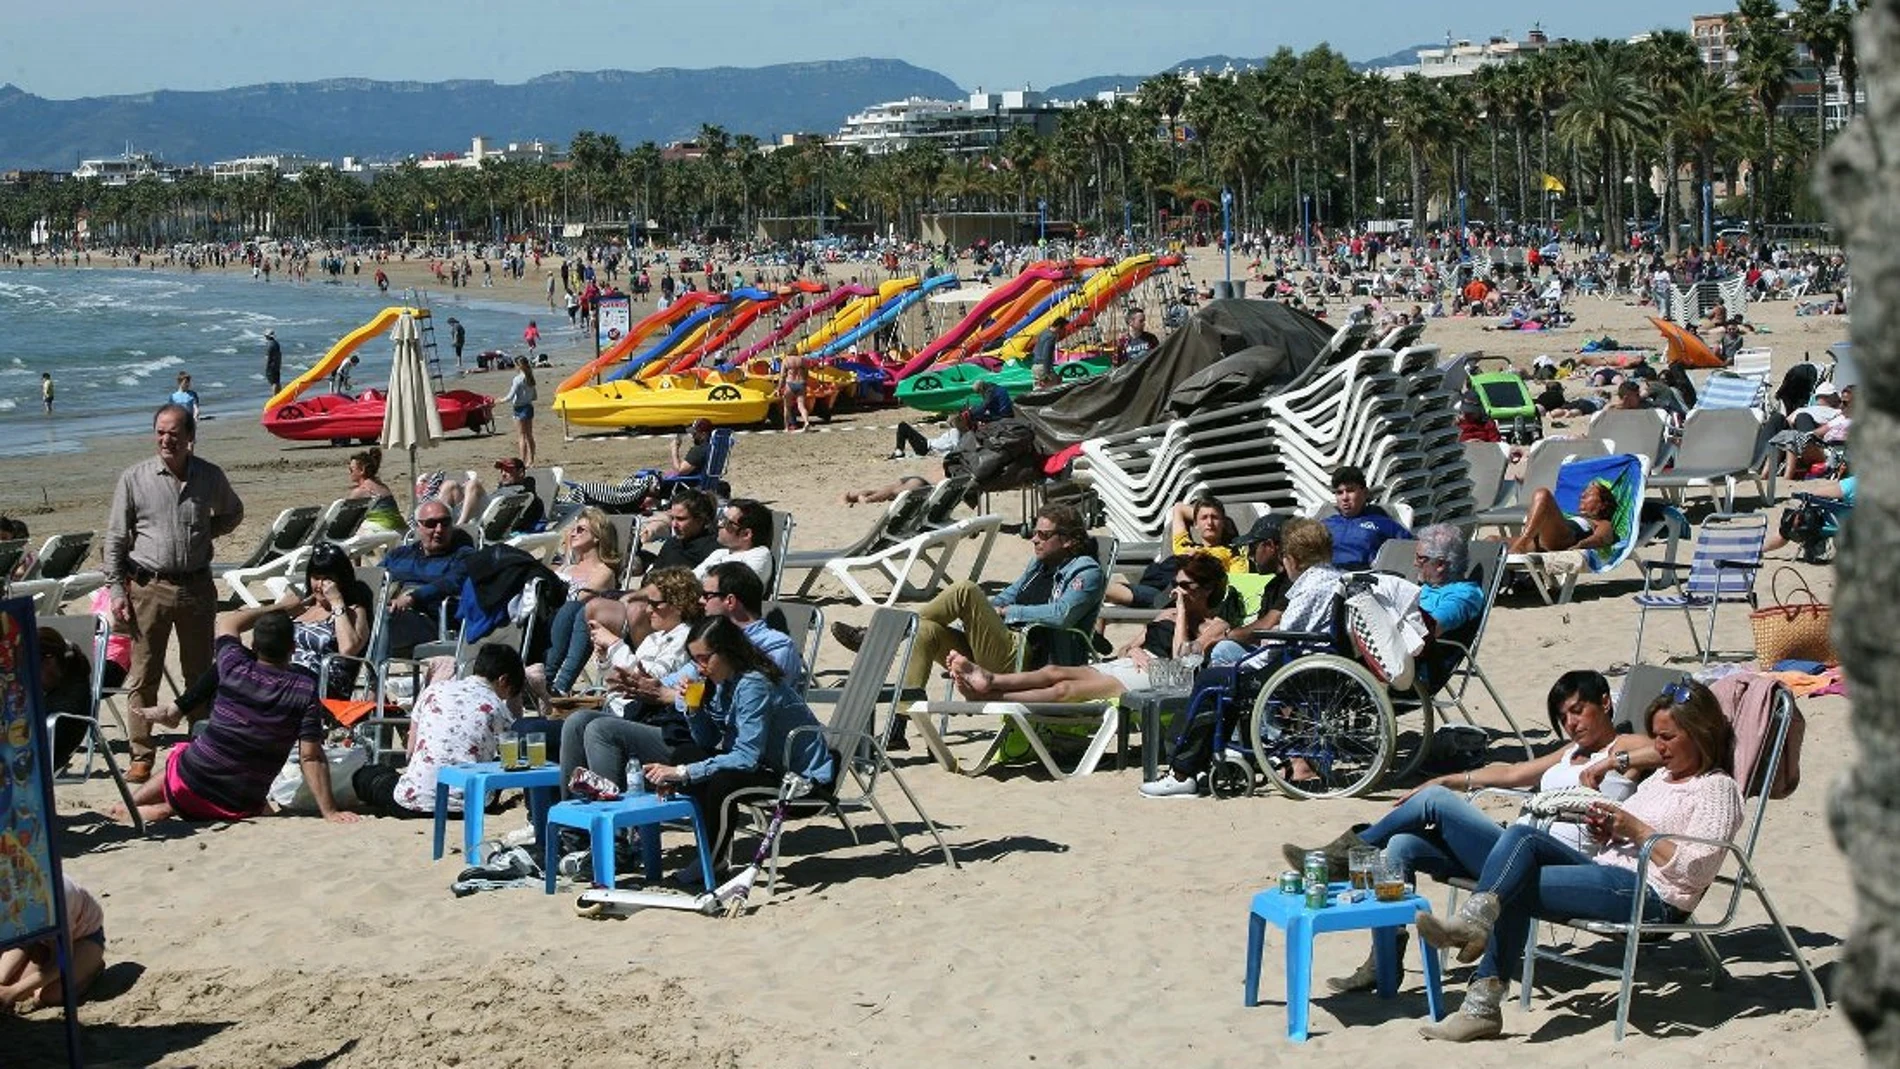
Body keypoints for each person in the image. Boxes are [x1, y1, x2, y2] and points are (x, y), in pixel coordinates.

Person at [1280, 669, 1652, 994]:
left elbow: (1664, 751)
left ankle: (1339, 857)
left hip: (1555, 858)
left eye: (1577, 710)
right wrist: (1451, 778)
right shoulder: (1569, 752)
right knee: (1402, 845)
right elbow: (1511, 774)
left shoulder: (1627, 745)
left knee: (1435, 801)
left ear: (1605, 702)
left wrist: (1612, 762)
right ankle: (1384, 962)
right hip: (1511, 849)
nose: (1571, 723)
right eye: (1563, 715)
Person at [1412, 680, 1742, 1041]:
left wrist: (1633, 829)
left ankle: (1480, 1005)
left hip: (1652, 895)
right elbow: (1629, 826)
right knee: (1523, 837)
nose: (1658, 747)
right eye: (1656, 736)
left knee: (1516, 885)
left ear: (1699, 735)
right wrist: (1608, 829)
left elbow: (1697, 870)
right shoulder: (1662, 777)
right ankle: (1477, 921)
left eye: (1667, 738)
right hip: (1608, 872)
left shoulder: (1716, 789)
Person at [1142, 518, 1343, 798]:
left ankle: (1182, 771)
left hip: (1292, 669)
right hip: (1310, 663)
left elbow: (1282, 638)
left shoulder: (1309, 587)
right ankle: (1204, 760)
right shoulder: (1330, 577)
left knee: (1211, 682)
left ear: (1293, 559)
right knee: (1226, 674)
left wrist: (1249, 660)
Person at [113, 605, 358, 825]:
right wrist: (329, 811)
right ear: (292, 649)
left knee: (181, 759)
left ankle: (129, 806)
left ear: (253, 647)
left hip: (192, 775)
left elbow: (230, 621)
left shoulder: (233, 664)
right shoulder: (304, 689)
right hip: (238, 799)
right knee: (183, 798)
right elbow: (310, 756)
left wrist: (282, 606)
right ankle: (158, 809)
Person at [106, 403, 244, 783]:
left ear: (190, 439)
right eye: (160, 432)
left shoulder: (209, 476)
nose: (166, 439)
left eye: (174, 433)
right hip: (148, 587)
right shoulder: (134, 479)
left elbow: (234, 513)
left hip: (197, 587)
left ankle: (199, 746)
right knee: (143, 673)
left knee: (198, 672)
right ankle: (141, 754)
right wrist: (117, 589)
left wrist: (205, 531)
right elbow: (116, 539)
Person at [834, 503, 1104, 696]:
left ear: (1068, 540)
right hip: (1000, 646)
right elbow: (1011, 593)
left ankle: (882, 637)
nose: (1034, 539)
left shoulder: (1086, 572)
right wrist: (991, 608)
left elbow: (1061, 615)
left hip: (1031, 659)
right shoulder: (1040, 565)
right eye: (1034, 532)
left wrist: (1009, 612)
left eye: (1043, 535)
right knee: (926, 631)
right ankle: (899, 725)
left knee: (965, 589)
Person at [642, 615, 836, 881]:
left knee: (722, 781)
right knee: (688, 753)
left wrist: (683, 772)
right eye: (694, 659)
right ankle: (714, 856)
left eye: (704, 658)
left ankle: (711, 861)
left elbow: (745, 758)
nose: (698, 668)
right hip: (766, 766)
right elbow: (707, 742)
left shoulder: (753, 684)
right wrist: (693, 708)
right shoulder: (723, 682)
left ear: (727, 652)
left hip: (802, 781)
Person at [947, 552, 1228, 704]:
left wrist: (1180, 612)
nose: (1177, 591)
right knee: (1053, 672)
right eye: (1175, 585)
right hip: (1134, 666)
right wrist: (1133, 652)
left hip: (1163, 679)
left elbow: (1182, 659)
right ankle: (989, 681)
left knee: (1066, 690)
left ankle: (993, 696)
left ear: (1207, 590)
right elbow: (1125, 646)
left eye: (1185, 586)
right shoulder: (1163, 614)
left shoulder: (1216, 627)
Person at [352, 644, 526, 819]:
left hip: (414, 802)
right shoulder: (497, 707)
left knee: (366, 775)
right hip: (470, 806)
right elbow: (511, 754)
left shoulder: (434, 690)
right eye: (509, 693)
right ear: (503, 680)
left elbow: (410, 751)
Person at [538, 506, 623, 696]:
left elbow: (578, 600)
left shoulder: (604, 571)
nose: (573, 533)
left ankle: (554, 683)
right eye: (573, 529)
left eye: (581, 530)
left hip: (575, 621)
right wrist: (568, 558)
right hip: (548, 620)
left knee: (573, 608)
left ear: (597, 536)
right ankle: (544, 681)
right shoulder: (563, 568)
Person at [1105, 497, 1246, 609]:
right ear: (1195, 524)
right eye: (1204, 518)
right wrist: (1199, 516)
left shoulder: (1233, 555)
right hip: (1160, 591)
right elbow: (1178, 508)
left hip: (1190, 595)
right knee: (1103, 589)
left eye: (1215, 518)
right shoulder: (1185, 545)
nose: (1209, 522)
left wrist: (1201, 560)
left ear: (1223, 523)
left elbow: (1236, 586)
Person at [381, 500, 475, 656]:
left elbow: (452, 583)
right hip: (395, 610)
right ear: (418, 527)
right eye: (431, 523)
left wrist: (413, 597)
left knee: (383, 618)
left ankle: (374, 674)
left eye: (445, 522)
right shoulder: (399, 555)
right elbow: (376, 578)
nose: (439, 529)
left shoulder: (463, 555)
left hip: (433, 621)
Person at [0, 875, 105, 1011]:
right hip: (40, 939)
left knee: (49, 996)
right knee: (14, 984)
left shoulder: (53, 900)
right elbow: (16, 943)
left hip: (81, 938)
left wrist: (13, 992)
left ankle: (94, 966)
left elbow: (62, 961)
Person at [284, 541, 373, 698]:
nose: (320, 585)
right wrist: (280, 609)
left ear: (341, 581)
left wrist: (337, 603)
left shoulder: (354, 612)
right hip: (287, 679)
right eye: (316, 577)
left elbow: (348, 650)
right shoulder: (301, 609)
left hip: (324, 686)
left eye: (328, 579)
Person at [1323, 465, 1412, 569]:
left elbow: (1411, 548)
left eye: (1350, 491)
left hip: (1363, 578)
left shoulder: (1382, 523)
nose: (1345, 498)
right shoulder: (1326, 524)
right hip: (1325, 575)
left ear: (1364, 493)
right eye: (1339, 492)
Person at [1507, 477, 1617, 555]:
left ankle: (1522, 543)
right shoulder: (1570, 515)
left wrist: (1580, 546)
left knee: (1543, 494)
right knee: (1492, 541)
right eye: (1583, 494)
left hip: (1563, 539)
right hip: (1538, 541)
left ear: (1603, 504)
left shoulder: (1601, 522)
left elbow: (1601, 538)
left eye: (1589, 494)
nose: (1582, 495)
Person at [635, 489, 719, 574]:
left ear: (700, 520)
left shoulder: (713, 552)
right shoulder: (671, 544)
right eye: (673, 518)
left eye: (681, 519)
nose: (674, 525)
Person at [694, 498, 775, 584]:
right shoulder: (720, 553)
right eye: (721, 518)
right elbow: (691, 579)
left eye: (726, 522)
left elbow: (728, 588)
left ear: (746, 534)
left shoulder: (758, 556)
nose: (719, 524)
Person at [345, 446, 403, 532]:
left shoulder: (360, 492)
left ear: (362, 470)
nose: (349, 473)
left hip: (384, 530)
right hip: (400, 528)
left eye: (351, 470)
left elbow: (345, 517)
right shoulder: (382, 486)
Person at [889, 409, 967, 460]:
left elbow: (957, 447)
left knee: (903, 426)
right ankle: (899, 450)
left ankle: (899, 450)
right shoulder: (958, 431)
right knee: (904, 427)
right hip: (927, 445)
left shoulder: (955, 431)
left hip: (926, 447)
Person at [503, 357, 538, 467]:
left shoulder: (517, 379)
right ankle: (531, 460)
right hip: (528, 407)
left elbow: (510, 396)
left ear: (518, 366)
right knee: (529, 435)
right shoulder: (530, 378)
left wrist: (498, 400)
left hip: (519, 408)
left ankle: (522, 461)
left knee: (521, 437)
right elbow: (534, 396)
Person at [1030, 316, 1068, 389]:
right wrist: (1047, 372)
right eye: (1063, 328)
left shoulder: (1044, 332)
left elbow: (1035, 349)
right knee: (1055, 386)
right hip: (1043, 367)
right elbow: (1046, 354)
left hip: (1035, 366)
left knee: (1038, 388)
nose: (1064, 331)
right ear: (1059, 327)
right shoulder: (1052, 336)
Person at [780, 350, 812, 432]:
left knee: (787, 406)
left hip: (790, 384)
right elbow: (806, 372)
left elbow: (782, 375)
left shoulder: (786, 360)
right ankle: (806, 422)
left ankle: (786, 427)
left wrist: (779, 387)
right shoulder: (802, 360)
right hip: (801, 383)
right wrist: (805, 381)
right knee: (801, 405)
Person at [263, 329, 282, 395]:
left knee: (273, 383)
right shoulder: (276, 343)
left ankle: (275, 397)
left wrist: (266, 367)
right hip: (277, 365)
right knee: (277, 382)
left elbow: (268, 357)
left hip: (271, 366)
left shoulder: (270, 345)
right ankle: (280, 395)